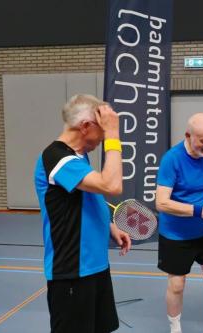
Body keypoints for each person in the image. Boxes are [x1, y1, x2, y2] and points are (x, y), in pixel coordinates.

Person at [34, 94, 131, 333]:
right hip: (71, 273)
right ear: (86, 127)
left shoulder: (79, 155)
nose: (103, 136)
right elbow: (111, 185)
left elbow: (87, 194)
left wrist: (109, 225)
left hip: (96, 266)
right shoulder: (56, 158)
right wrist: (113, 136)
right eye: (102, 128)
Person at [156, 113, 203, 333]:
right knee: (177, 286)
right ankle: (175, 329)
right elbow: (161, 203)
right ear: (188, 135)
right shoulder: (172, 159)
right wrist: (198, 211)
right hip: (176, 235)